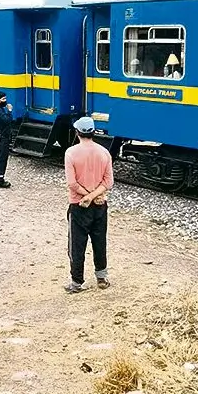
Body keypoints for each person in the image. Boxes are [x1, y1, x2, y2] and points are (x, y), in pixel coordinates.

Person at [63, 116, 115, 294]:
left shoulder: (71, 153)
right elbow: (108, 182)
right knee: (99, 241)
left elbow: (72, 184)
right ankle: (101, 277)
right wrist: (95, 196)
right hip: (100, 205)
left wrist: (87, 197)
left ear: (77, 132)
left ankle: (77, 282)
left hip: (79, 205)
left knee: (77, 244)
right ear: (93, 132)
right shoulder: (104, 152)